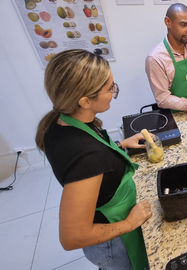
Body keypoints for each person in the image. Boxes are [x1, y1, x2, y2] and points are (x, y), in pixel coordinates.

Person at [35, 50, 152, 270]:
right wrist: (129, 223)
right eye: (110, 88)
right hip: (112, 243)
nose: (114, 91)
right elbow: (73, 237)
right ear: (85, 101)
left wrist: (120, 145)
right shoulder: (87, 157)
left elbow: (93, 158)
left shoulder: (62, 121)